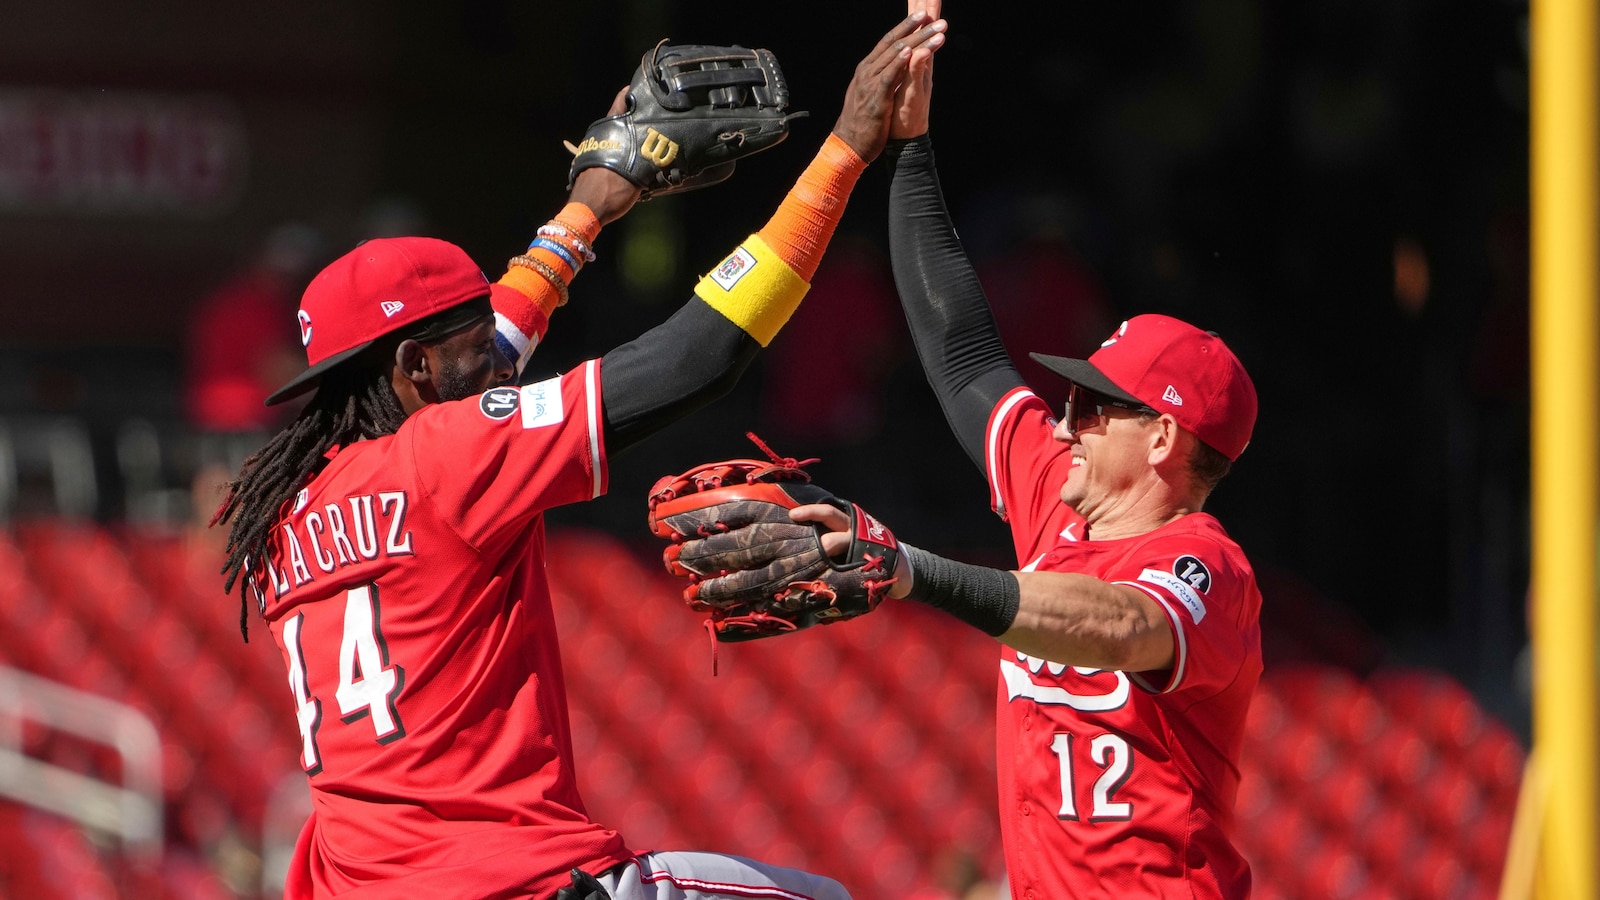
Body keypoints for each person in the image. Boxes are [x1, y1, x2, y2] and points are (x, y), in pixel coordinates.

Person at [209, 13, 947, 899]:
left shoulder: (287, 515)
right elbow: (697, 356)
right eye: (474, 339)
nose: (500, 358)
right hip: (516, 883)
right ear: (412, 367)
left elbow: (494, 346)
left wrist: (589, 207)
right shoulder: (444, 456)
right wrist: (844, 152)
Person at [789, 3, 1263, 896]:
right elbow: (963, 351)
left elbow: (1120, 624)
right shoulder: (1055, 493)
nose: (1067, 417)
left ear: (1163, 438)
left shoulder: (1209, 568)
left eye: (1096, 405)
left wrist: (916, 573)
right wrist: (910, 148)